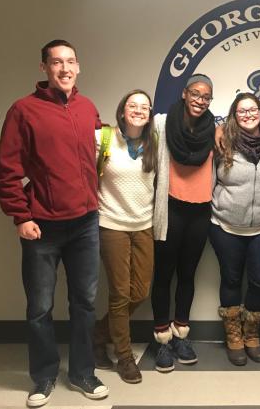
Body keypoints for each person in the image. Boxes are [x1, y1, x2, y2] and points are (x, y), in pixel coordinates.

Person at [0, 39, 109, 407]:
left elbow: (95, 159)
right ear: (43, 68)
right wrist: (21, 215)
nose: (65, 68)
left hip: (85, 224)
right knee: (40, 309)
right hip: (41, 227)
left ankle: (82, 373)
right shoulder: (23, 111)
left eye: (71, 62)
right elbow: (6, 170)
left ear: (79, 67)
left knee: (84, 304)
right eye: (57, 62)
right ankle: (43, 376)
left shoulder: (88, 107)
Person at [150, 73, 215, 372]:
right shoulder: (163, 124)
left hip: (200, 211)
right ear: (185, 94)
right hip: (170, 208)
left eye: (206, 96)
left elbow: (252, 123)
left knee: (188, 275)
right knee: (164, 275)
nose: (200, 100)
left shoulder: (214, 129)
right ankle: (162, 339)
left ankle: (180, 335)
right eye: (196, 94)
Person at [92, 89, 157, 384]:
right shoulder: (102, 138)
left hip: (143, 224)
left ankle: (98, 333)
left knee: (140, 292)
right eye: (133, 105)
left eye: (144, 106)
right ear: (122, 110)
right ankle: (125, 356)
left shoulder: (155, 142)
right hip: (112, 225)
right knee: (119, 293)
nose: (139, 110)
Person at [211, 93, 260, 366]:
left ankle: (252, 335)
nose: (248, 114)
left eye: (253, 110)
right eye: (242, 111)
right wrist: (219, 127)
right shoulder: (221, 141)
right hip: (226, 226)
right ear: (233, 115)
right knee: (231, 281)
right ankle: (234, 337)